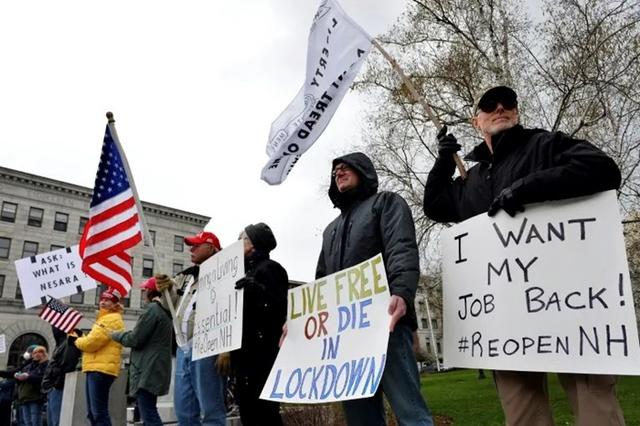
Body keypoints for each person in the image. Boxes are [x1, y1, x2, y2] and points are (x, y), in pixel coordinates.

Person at [423, 85, 624, 425]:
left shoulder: (544, 145)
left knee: (596, 408)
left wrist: (529, 187)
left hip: (571, 307)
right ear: (477, 121)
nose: (500, 107)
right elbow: (435, 205)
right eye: (490, 105)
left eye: (508, 103)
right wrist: (443, 163)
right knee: (522, 414)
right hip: (507, 321)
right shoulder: (471, 179)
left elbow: (604, 169)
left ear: (516, 113)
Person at [316, 152, 433, 425]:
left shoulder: (386, 203)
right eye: (335, 171)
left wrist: (402, 292)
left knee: (410, 411)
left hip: (387, 323)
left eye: (346, 167)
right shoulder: (329, 231)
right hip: (346, 336)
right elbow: (322, 282)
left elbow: (401, 248)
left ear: (363, 171)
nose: (339, 173)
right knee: (360, 417)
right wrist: (303, 325)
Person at [155, 231, 227, 426]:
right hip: (183, 346)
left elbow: (231, 309)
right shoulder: (186, 276)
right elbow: (169, 305)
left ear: (211, 248)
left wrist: (226, 348)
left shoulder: (227, 270)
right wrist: (166, 288)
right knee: (184, 410)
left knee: (211, 409)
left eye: (196, 245)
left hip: (207, 346)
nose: (191, 250)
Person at [226, 223, 288, 426]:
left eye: (242, 238)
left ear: (254, 244)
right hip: (245, 355)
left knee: (265, 413)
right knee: (248, 413)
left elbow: (278, 307)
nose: (237, 242)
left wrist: (255, 289)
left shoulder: (271, 269)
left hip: (261, 356)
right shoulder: (243, 272)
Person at [111, 277, 173, 426]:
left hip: (147, 369)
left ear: (150, 292)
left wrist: (115, 334)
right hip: (154, 367)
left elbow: (134, 339)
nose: (143, 292)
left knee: (149, 414)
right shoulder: (164, 311)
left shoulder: (152, 309)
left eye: (145, 289)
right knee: (149, 412)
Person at [72, 287, 125, 426]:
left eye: (108, 300)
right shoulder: (104, 318)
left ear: (115, 304)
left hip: (101, 370)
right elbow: (92, 341)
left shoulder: (111, 319)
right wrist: (79, 336)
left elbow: (91, 344)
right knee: (93, 413)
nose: (103, 302)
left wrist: (76, 340)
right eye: (102, 299)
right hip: (96, 368)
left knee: (99, 412)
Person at [42, 326, 82, 426]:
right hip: (52, 386)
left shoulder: (69, 342)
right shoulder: (60, 343)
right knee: (51, 421)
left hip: (58, 386)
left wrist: (56, 383)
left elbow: (68, 365)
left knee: (57, 421)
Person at [14, 345, 48, 426]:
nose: (37, 354)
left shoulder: (45, 364)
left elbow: (43, 378)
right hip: (24, 397)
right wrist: (18, 377)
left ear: (44, 354)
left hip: (35, 397)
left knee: (35, 422)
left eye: (40, 352)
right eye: (35, 352)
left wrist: (28, 377)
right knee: (27, 423)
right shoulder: (28, 366)